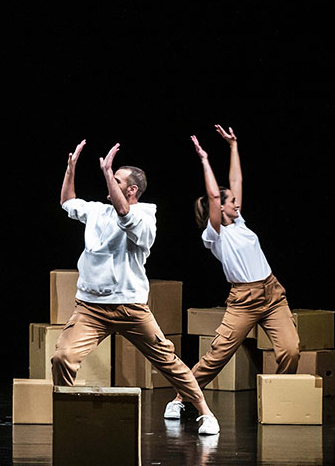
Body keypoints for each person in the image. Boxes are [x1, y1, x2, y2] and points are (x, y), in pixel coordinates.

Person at [54, 140, 220, 435]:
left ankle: (205, 413)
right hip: (91, 308)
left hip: (130, 307)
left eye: (116, 180)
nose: (109, 183)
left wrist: (107, 171)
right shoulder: (97, 211)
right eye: (111, 177)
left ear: (131, 190)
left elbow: (124, 213)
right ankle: (68, 416)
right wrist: (71, 168)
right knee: (62, 357)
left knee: (167, 360)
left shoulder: (145, 217)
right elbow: (67, 202)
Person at [165, 126, 299, 417]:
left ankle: (279, 398)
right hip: (243, 301)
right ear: (220, 208)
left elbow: (236, 180)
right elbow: (214, 196)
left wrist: (233, 146)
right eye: (231, 202)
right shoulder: (215, 235)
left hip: (272, 294)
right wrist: (204, 159)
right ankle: (180, 399)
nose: (237, 203)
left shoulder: (239, 222)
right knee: (217, 356)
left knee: (290, 350)